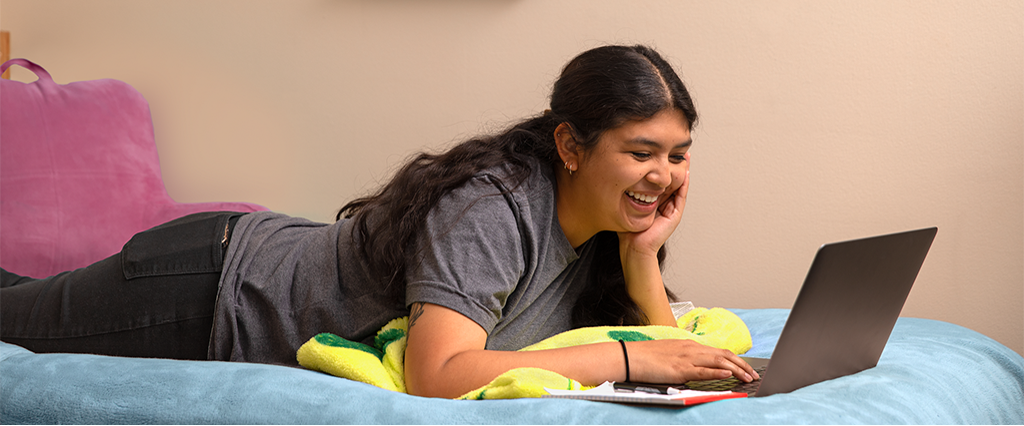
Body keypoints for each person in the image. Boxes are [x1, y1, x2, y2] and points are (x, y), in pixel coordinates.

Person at [0, 44, 758, 398]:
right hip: (211, 289)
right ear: (571, 145)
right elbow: (439, 375)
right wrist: (627, 362)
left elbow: (662, 350)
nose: (665, 176)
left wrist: (642, 258)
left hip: (240, 262)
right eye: (642, 153)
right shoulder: (494, 209)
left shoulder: (599, 237)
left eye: (679, 155)